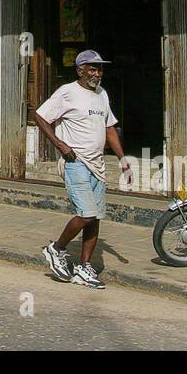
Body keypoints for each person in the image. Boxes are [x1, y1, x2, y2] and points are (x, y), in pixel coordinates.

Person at [34, 50, 131, 289]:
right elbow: (39, 116)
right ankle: (56, 249)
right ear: (80, 70)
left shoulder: (102, 94)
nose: (97, 73)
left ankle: (83, 267)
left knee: (95, 218)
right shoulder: (67, 92)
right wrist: (59, 144)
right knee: (86, 214)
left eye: (99, 69)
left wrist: (122, 159)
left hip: (97, 165)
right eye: (92, 69)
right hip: (75, 161)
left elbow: (109, 129)